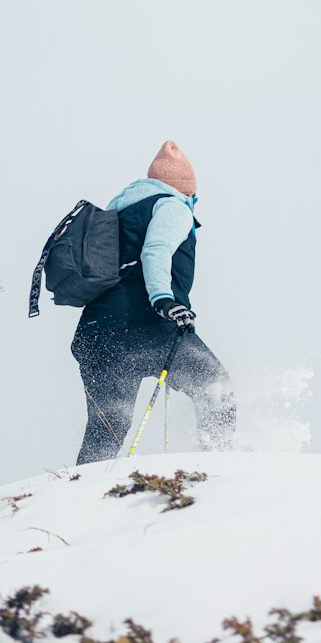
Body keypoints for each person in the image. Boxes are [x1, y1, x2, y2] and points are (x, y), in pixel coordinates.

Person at [71, 141, 235, 464]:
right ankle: (219, 469)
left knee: (108, 427)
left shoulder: (118, 212)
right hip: (148, 324)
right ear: (188, 191)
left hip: (96, 334)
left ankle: (76, 495)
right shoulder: (173, 206)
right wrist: (164, 299)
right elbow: (156, 250)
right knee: (217, 389)